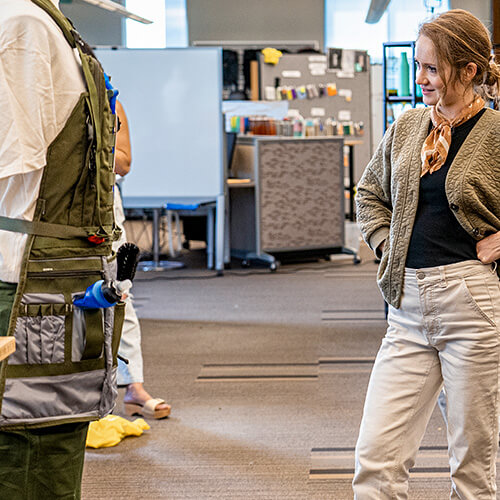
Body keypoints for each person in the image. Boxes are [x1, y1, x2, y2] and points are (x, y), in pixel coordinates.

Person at [353, 9, 500, 499]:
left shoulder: (495, 134)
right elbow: (369, 193)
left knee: (473, 472)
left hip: (471, 306)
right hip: (406, 309)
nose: (421, 79)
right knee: (375, 463)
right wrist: (385, 244)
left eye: (433, 69)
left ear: (470, 69)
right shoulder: (409, 126)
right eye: (419, 66)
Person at [0, 0, 122, 497]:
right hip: (56, 276)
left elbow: (12, 160)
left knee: (24, 453)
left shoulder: (17, 25)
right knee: (42, 446)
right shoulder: (46, 23)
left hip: (23, 282)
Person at [113, 100, 171, 419]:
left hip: (100, 208)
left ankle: (134, 387)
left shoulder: (108, 99)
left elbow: (123, 163)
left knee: (119, 292)